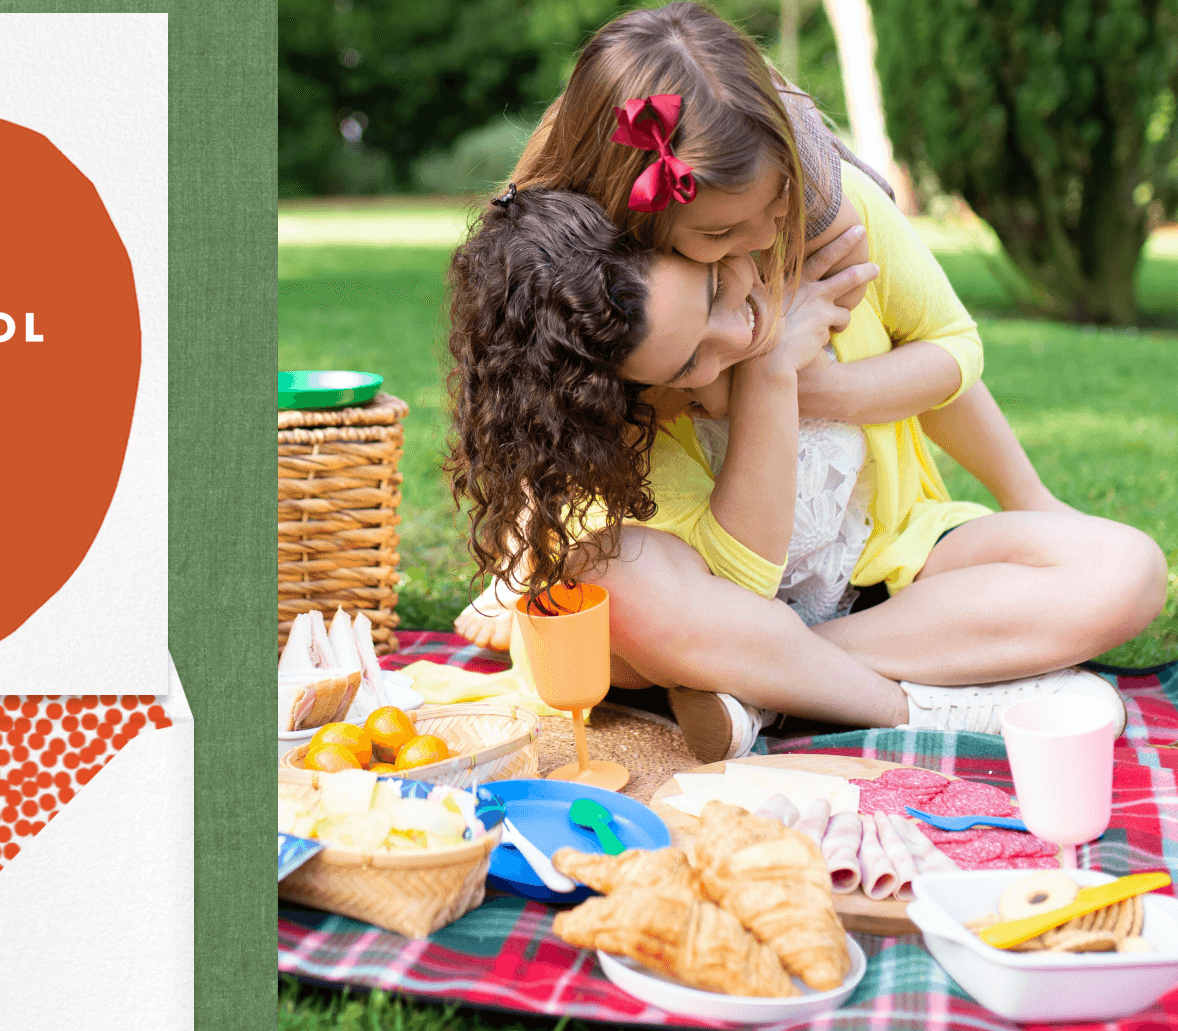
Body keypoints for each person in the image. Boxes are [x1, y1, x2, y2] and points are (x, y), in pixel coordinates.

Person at [427, 180, 1167, 762]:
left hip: (886, 573)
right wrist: (767, 375)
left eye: (717, 288)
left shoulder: (822, 235)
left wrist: (1029, 497)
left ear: (700, 237)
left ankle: (764, 694)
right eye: (688, 361)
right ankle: (913, 706)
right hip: (720, 613)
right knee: (613, 582)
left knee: (1125, 568)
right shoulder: (624, 392)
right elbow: (743, 587)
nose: (734, 332)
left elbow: (947, 363)